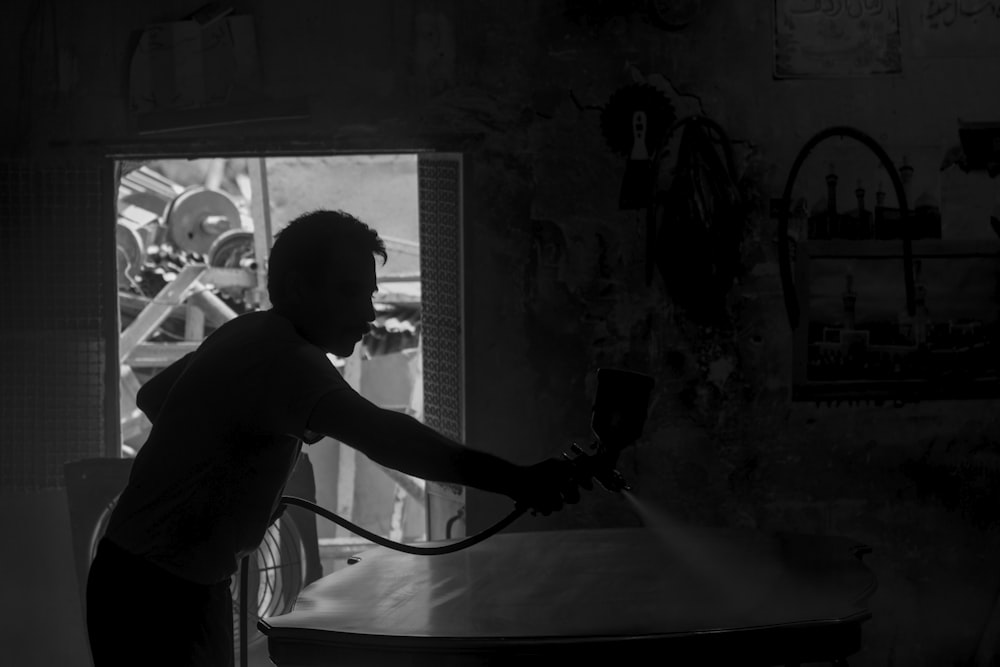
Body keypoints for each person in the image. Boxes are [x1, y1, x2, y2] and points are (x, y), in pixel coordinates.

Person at [86, 209, 584, 667]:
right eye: (352, 293)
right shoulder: (285, 357)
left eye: (370, 294)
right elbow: (386, 436)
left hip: (153, 577)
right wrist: (516, 480)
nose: (369, 314)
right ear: (301, 288)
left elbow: (154, 397)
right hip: (156, 593)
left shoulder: (248, 331)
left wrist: (232, 478)